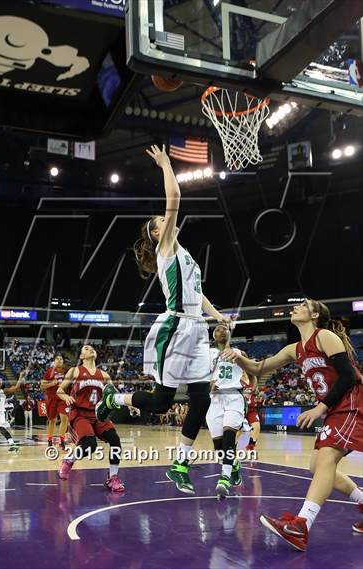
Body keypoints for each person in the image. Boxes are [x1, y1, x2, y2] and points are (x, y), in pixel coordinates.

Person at [95, 144, 230, 494]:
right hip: (176, 329)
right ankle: (114, 399)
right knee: (160, 403)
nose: (166, 220)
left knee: (201, 398)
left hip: (197, 327)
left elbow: (196, 292)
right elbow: (175, 195)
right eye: (160, 222)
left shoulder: (184, 255)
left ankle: (180, 463)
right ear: (157, 233)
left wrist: (218, 317)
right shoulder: (165, 247)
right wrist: (166, 164)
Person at [222, 299, 363, 550]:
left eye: (303, 305)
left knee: (327, 460)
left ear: (315, 314)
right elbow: (258, 367)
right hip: (336, 408)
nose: (296, 307)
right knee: (315, 466)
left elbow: (349, 376)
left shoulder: (325, 336)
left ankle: (301, 525)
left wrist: (321, 407)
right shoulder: (294, 349)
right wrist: (238, 358)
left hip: (353, 402)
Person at [56, 345, 125, 492]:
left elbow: (115, 395)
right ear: (81, 356)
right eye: (86, 348)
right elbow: (60, 390)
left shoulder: (104, 375)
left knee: (115, 441)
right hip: (80, 414)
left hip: (98, 414)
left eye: (92, 348)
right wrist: (66, 396)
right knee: (90, 445)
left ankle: (112, 478)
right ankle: (69, 460)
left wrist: (131, 405)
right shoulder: (75, 371)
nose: (91, 349)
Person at [207, 323, 256, 497]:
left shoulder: (239, 352)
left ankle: (225, 478)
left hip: (234, 396)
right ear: (213, 336)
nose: (221, 331)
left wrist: (251, 388)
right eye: (217, 329)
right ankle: (233, 464)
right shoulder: (208, 354)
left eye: (224, 328)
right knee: (219, 447)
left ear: (229, 334)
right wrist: (208, 386)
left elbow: (253, 372)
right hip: (215, 400)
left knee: (229, 436)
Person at [41, 353, 68, 449]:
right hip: (51, 398)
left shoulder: (66, 372)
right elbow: (42, 386)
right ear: (54, 361)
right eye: (57, 359)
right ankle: (49, 440)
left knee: (65, 418)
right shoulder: (49, 372)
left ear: (63, 361)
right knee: (52, 420)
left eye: (61, 359)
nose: (59, 360)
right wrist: (52, 383)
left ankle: (62, 440)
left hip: (62, 398)